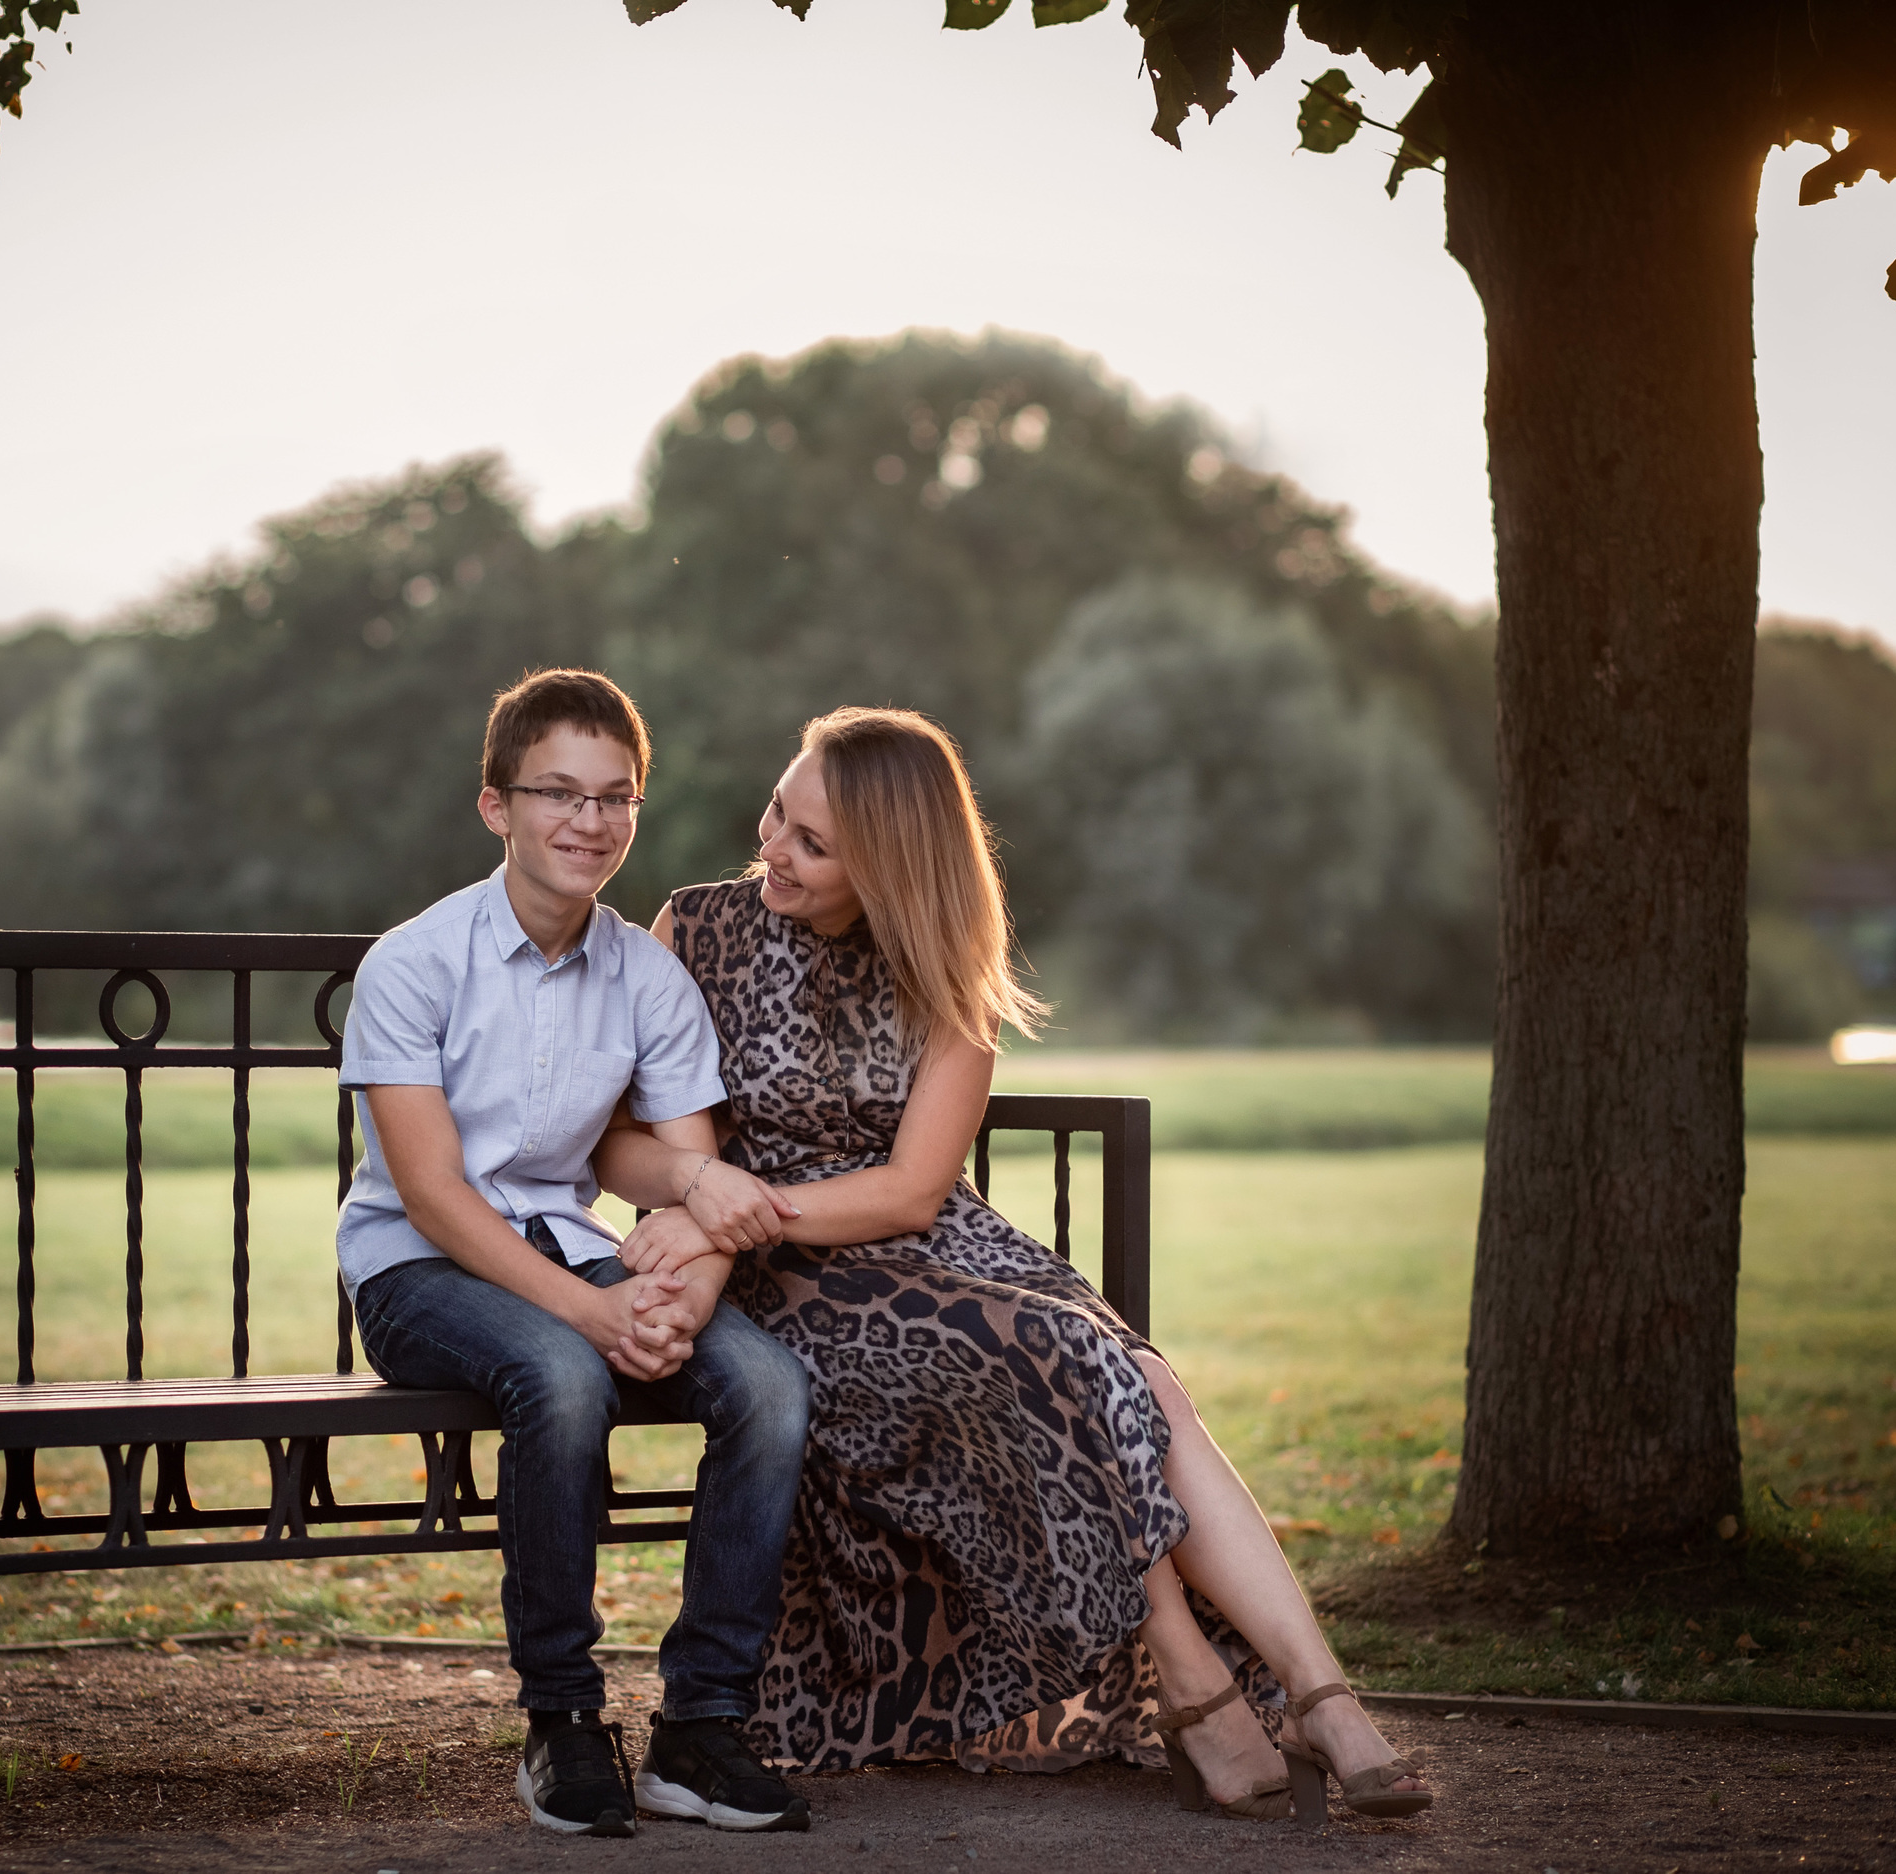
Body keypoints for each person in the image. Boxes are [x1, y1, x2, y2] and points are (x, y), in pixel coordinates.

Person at [594, 705, 1432, 1825]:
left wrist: (720, 1213)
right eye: (777, 814)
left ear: (890, 866)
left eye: (812, 841)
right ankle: (1205, 1684)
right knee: (1060, 1361)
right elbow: (611, 1137)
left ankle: (1320, 1695)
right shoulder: (692, 928)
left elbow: (910, 1191)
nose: (771, 851)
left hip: (927, 1246)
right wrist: (707, 1199)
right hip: (791, 1280)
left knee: (1134, 1374)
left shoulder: (941, 964)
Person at [337, 668, 814, 1837]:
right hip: (415, 1270)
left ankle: (701, 1726)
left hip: (573, 1253)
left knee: (768, 1380)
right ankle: (562, 1718)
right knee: (560, 1372)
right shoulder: (413, 962)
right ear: (496, 804)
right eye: (558, 791)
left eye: (615, 798)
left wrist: (679, 1302)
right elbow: (437, 1197)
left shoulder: (647, 973)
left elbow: (688, 1177)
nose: (588, 822)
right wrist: (596, 1318)